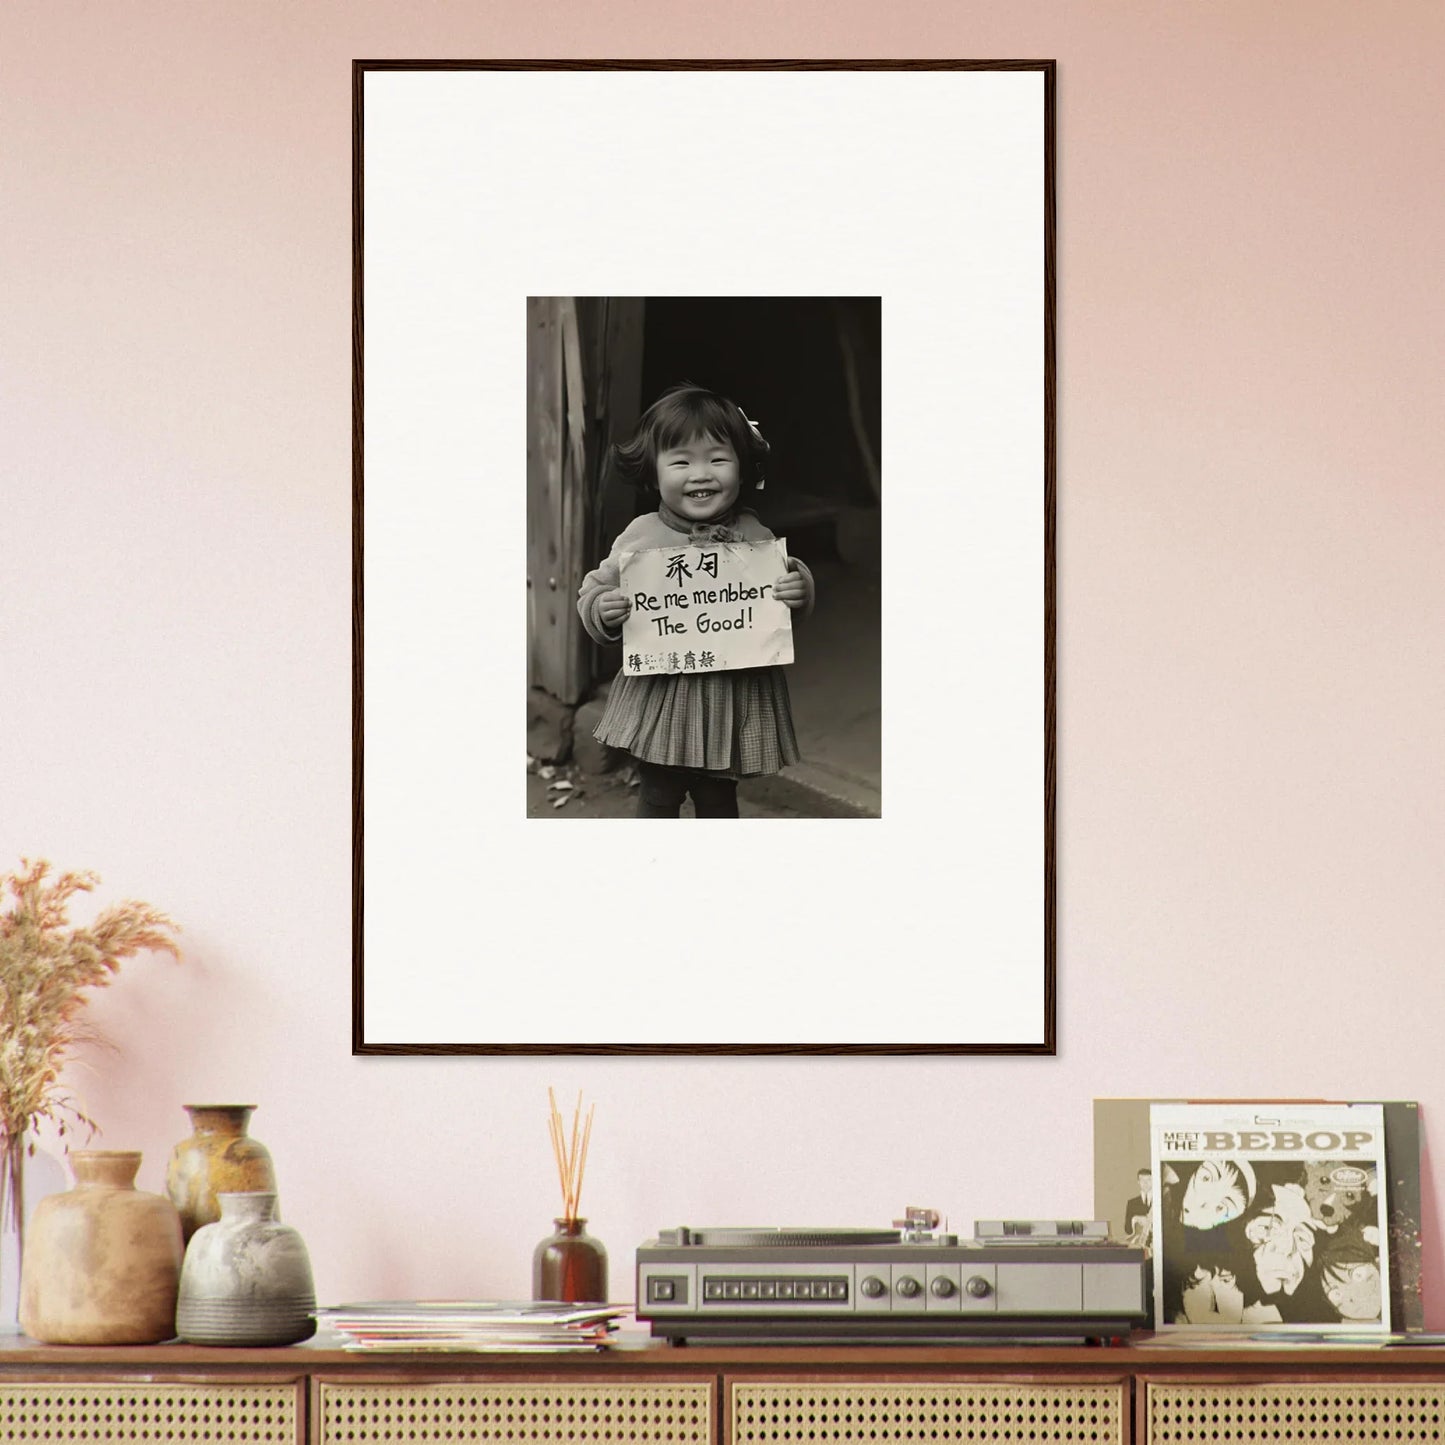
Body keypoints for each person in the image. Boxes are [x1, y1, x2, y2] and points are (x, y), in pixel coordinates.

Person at [577, 384, 814, 818]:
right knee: (658, 795)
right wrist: (603, 608)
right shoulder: (641, 536)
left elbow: (776, 606)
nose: (701, 474)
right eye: (682, 461)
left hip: (730, 699)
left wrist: (797, 590)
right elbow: (593, 589)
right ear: (653, 473)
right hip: (664, 698)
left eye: (718, 459)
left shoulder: (755, 537)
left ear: (742, 470)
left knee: (718, 799)